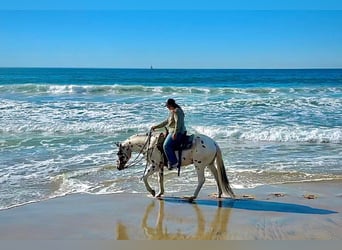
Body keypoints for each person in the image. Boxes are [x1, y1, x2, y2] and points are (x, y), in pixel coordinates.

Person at [151, 98, 186, 170]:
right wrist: (156, 126)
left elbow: (178, 123)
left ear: (170, 105)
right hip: (172, 131)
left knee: (166, 146)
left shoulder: (176, 111)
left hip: (177, 132)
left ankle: (174, 162)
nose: (167, 107)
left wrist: (175, 133)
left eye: (167, 105)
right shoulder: (172, 111)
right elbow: (166, 121)